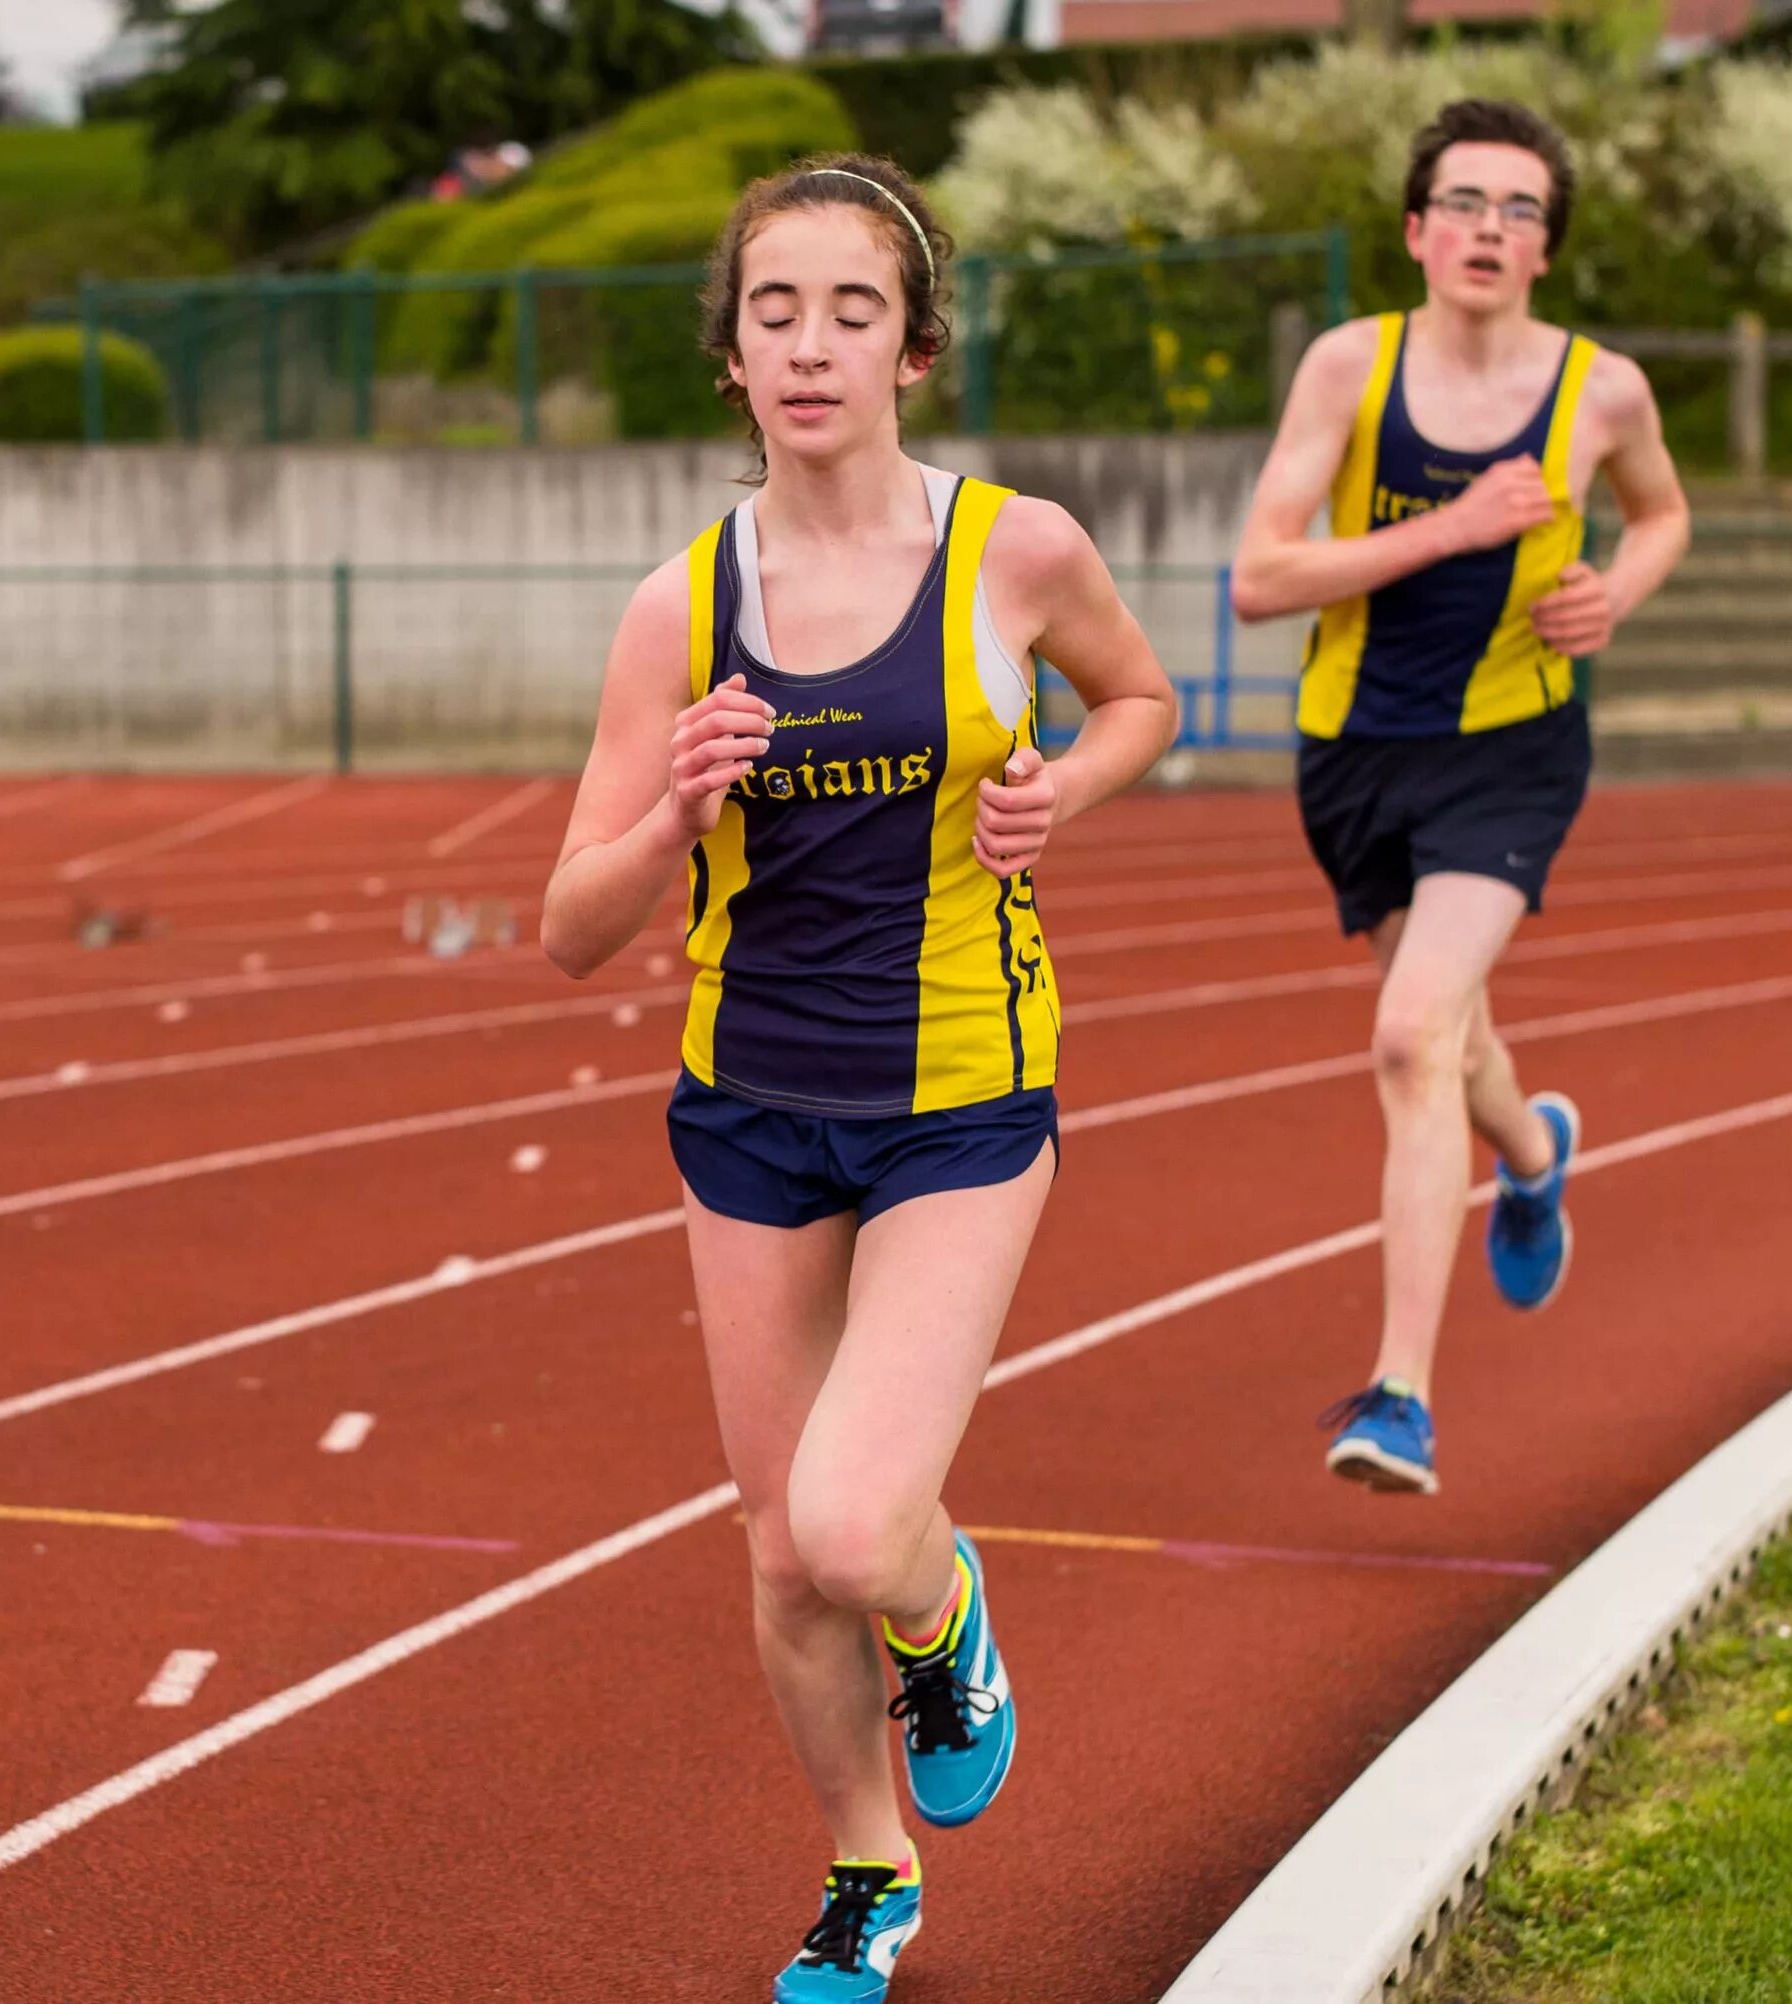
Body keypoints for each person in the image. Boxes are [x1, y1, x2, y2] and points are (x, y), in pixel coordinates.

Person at [541, 155, 1176, 2002]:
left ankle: (947, 1608)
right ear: (730, 361)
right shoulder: (679, 607)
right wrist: (672, 808)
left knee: (854, 1521)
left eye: (852, 311)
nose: (811, 345)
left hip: (965, 1100)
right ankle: (865, 1867)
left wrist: (1072, 785)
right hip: (747, 1108)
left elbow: (1137, 698)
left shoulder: (1020, 551)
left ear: (914, 350)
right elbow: (574, 928)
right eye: (774, 311)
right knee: (776, 1547)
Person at [1232, 99, 1692, 1496]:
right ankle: (1535, 1149)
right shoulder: (1348, 370)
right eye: (1466, 204)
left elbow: (1665, 510)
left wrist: (1618, 587)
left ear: (1547, 246)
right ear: (1419, 232)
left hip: (1513, 745)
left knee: (1409, 1035)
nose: (1491, 229)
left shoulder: (1600, 392)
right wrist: (1455, 529)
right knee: (1449, 1043)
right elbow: (1260, 578)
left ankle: (1401, 1400)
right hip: (1354, 750)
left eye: (1521, 210)